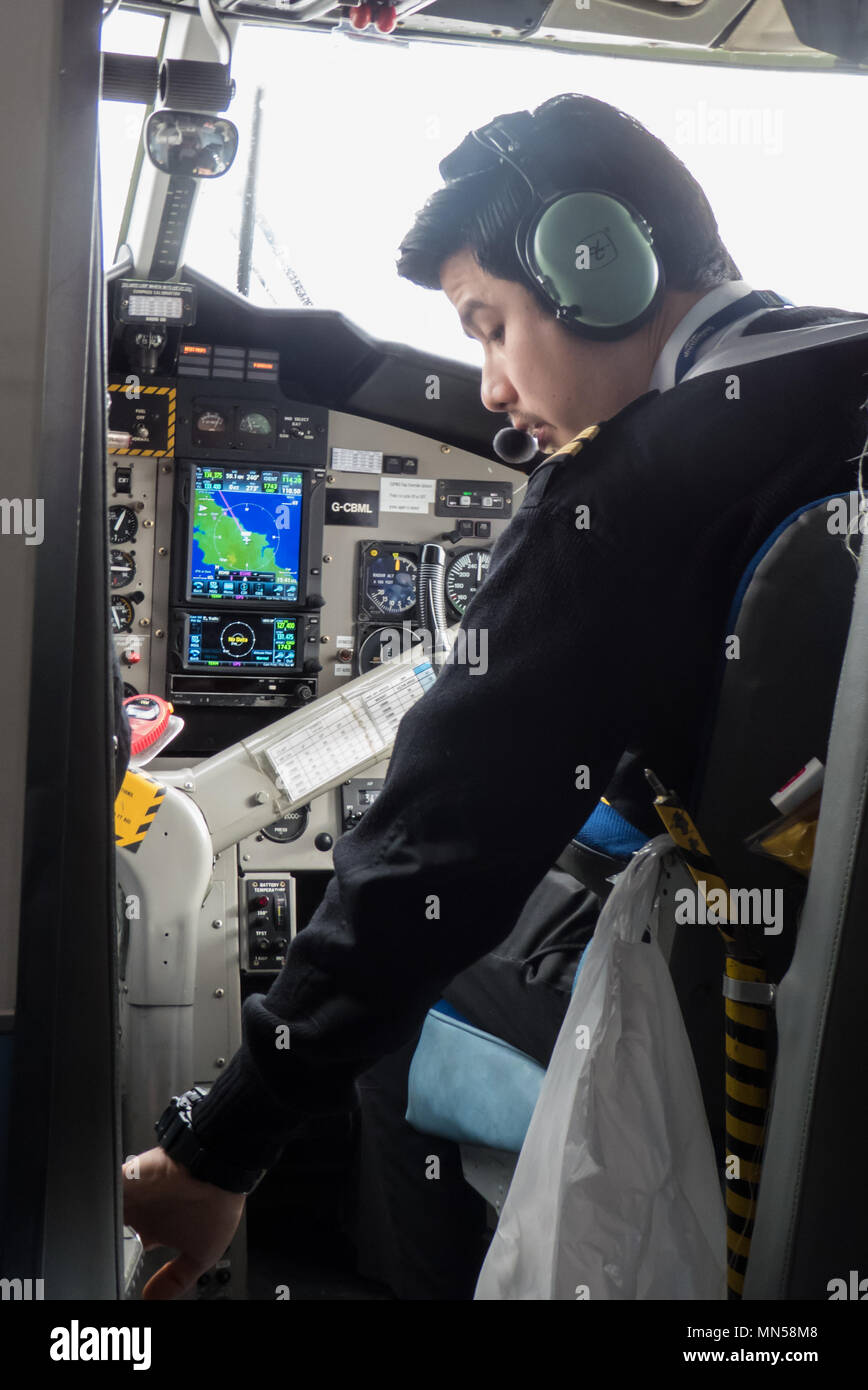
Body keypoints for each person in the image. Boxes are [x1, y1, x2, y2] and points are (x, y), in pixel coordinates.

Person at [122, 94, 868, 1300]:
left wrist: (220, 1145)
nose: (486, 389)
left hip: (760, 1003)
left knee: (403, 1021)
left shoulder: (618, 490)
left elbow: (431, 858)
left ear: (598, 271)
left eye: (488, 325)